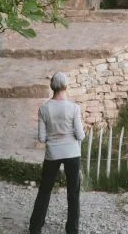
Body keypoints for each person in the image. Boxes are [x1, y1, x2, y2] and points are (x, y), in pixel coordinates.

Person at [30, 72, 85, 234]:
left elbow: (41, 137)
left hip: (52, 153)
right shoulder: (74, 108)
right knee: (73, 192)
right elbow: (80, 135)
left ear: (51, 87)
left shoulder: (44, 109)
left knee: (45, 190)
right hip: (72, 153)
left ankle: (35, 228)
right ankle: (72, 229)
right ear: (66, 87)